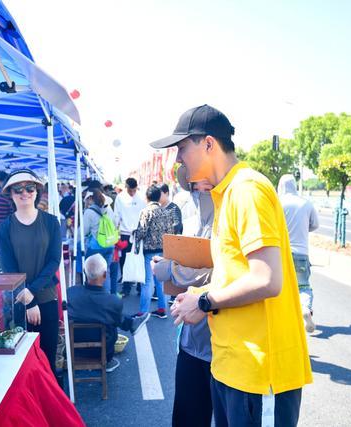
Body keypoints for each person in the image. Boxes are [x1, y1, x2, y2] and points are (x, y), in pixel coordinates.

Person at [156, 104, 311, 426]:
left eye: (182, 148)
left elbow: (266, 279)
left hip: (258, 370)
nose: (179, 159)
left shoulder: (247, 190)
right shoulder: (227, 195)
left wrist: (202, 301)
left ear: (209, 144)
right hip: (231, 364)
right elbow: (235, 274)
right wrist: (199, 292)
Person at [153, 165, 215, 427]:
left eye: (206, 185)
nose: (199, 191)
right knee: (187, 416)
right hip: (190, 341)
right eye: (194, 185)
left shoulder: (229, 221)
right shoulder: (194, 222)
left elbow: (218, 273)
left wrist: (171, 270)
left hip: (220, 347)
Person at [0, 169, 61, 377]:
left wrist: (32, 293)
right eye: (18, 189)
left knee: (48, 357)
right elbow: (9, 270)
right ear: (10, 194)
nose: (25, 193)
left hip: (47, 299)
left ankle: (50, 407)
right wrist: (28, 302)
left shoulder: (51, 222)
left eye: (29, 188)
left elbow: (53, 261)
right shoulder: (4, 228)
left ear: (37, 191)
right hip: (17, 304)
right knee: (23, 364)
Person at [68, 254, 150, 372]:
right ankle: (131, 323)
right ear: (105, 275)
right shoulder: (113, 301)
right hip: (102, 352)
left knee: (106, 315)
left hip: (75, 349)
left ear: (85, 273)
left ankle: (131, 323)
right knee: (112, 320)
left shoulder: (70, 293)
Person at [277, 174, 320, 332]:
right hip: (302, 252)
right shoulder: (306, 204)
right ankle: (305, 309)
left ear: (281, 186)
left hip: (281, 253)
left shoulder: (278, 202)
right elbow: (315, 225)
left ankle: (284, 318)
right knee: (303, 286)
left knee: (280, 287)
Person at [133, 184, 175, 318]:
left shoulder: (146, 211)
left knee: (147, 282)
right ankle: (162, 309)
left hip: (149, 252)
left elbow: (142, 231)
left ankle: (143, 312)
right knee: (160, 281)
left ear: (147, 197)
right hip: (163, 251)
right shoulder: (166, 212)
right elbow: (170, 232)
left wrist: (135, 236)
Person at [114, 177, 146, 296]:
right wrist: (116, 233)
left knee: (139, 259)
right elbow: (116, 216)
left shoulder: (142, 197)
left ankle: (139, 286)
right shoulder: (120, 197)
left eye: (134, 190)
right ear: (126, 187)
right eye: (130, 190)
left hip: (138, 234)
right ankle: (126, 286)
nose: (132, 193)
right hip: (125, 234)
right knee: (124, 261)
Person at [83, 189, 116, 293]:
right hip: (109, 245)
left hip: (95, 247)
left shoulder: (89, 212)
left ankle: (93, 296)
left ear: (92, 199)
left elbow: (85, 230)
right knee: (106, 272)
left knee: (91, 273)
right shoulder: (108, 209)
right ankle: (106, 297)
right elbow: (114, 223)